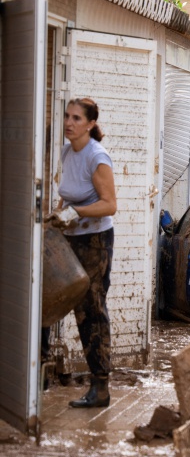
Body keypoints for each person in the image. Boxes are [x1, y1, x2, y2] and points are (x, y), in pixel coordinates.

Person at [49, 98, 117, 409]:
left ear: (90, 124)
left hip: (95, 241)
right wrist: (60, 212)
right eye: (67, 116)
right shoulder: (66, 151)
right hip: (70, 239)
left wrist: (76, 213)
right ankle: (37, 371)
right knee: (50, 297)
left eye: (77, 118)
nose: (69, 122)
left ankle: (100, 386)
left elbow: (109, 204)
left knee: (91, 310)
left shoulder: (96, 156)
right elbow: (68, 193)